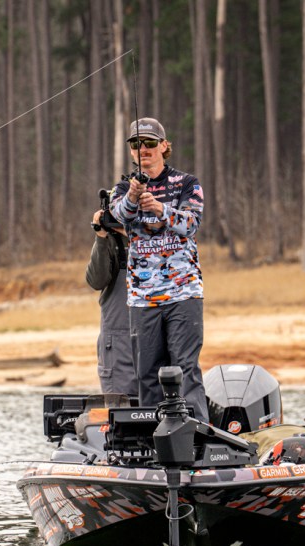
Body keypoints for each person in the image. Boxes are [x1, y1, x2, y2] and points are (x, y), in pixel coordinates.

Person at [108, 117, 208, 420]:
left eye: (150, 143)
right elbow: (119, 215)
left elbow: (191, 224)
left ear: (164, 146)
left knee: (185, 368)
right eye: (136, 144)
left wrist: (160, 208)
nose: (144, 149)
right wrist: (133, 196)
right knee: (147, 372)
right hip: (142, 298)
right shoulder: (122, 188)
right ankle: (152, 436)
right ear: (131, 151)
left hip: (183, 293)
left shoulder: (187, 183)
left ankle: (195, 431)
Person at [85, 209, 138, 396]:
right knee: (119, 406)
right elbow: (96, 281)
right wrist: (101, 237)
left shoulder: (158, 235)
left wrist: (136, 235)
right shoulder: (111, 241)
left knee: (157, 404)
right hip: (118, 343)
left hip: (153, 335)